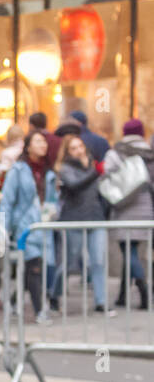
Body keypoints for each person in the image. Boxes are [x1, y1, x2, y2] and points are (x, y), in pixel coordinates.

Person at [0, 128, 59, 323]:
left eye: (44, 142)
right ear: (28, 146)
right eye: (38, 141)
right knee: (34, 266)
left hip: (43, 225)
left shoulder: (49, 171)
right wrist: (2, 229)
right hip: (24, 227)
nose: (43, 145)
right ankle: (40, 311)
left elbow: (52, 199)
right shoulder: (18, 170)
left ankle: (14, 301)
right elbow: (7, 201)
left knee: (35, 266)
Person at [55, 133, 112, 314]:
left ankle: (101, 301)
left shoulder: (93, 165)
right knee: (68, 262)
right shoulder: (66, 168)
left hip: (96, 217)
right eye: (73, 148)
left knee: (99, 261)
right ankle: (53, 295)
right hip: (74, 219)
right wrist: (96, 172)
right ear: (68, 152)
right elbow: (74, 184)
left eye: (80, 146)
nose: (78, 150)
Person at [106, 118, 153, 310]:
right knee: (131, 251)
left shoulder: (117, 152)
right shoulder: (149, 153)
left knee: (129, 251)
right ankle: (123, 295)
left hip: (123, 206)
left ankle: (143, 289)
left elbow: (108, 175)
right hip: (145, 206)